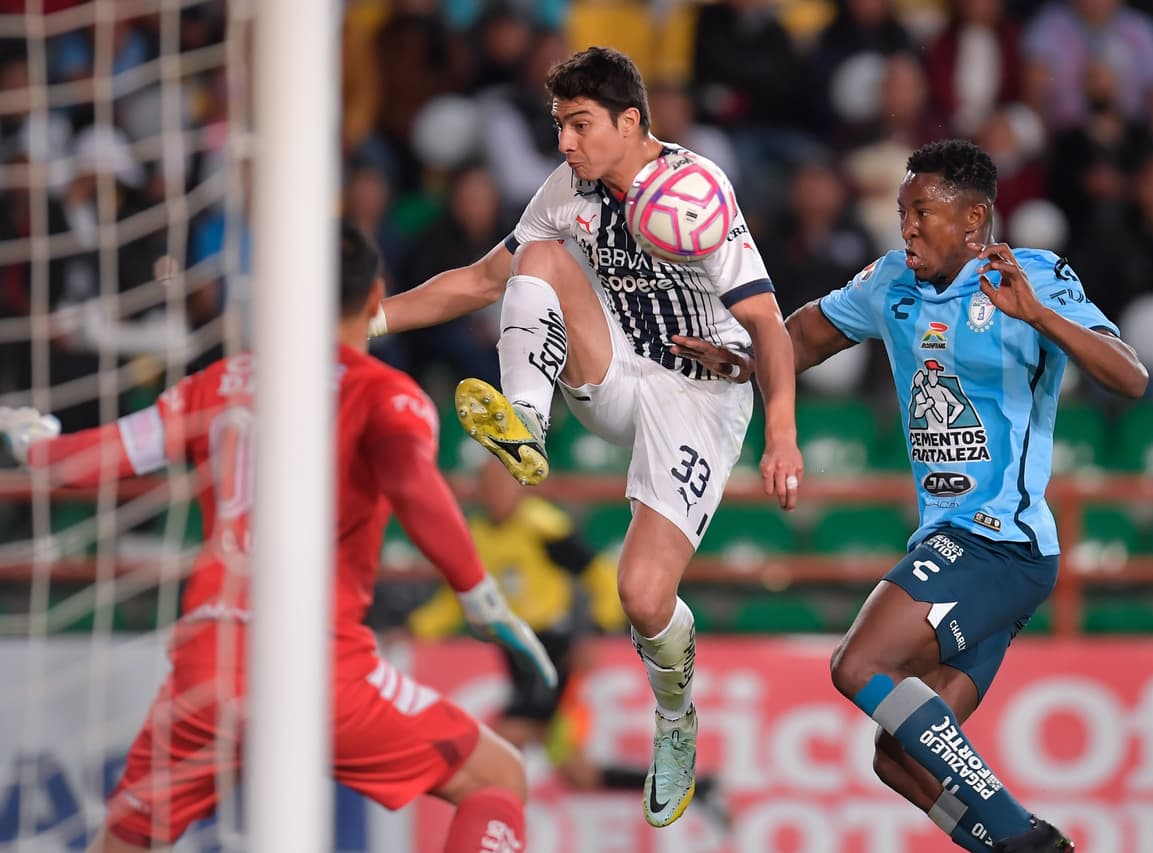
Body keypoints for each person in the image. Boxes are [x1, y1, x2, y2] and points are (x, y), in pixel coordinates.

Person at [0, 223, 557, 852]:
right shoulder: (385, 394)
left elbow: (87, 460)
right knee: (498, 775)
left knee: (123, 842)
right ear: (377, 296)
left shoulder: (220, 382)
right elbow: (409, 479)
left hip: (209, 663)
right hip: (319, 668)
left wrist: (35, 443)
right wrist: (477, 591)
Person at [671, 139, 1148, 852]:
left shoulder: (1032, 277)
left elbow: (1133, 378)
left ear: (974, 218)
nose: (909, 228)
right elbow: (803, 335)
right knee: (898, 756)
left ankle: (1028, 838)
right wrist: (744, 364)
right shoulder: (888, 281)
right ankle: (1010, 844)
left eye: (923, 212)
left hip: (1000, 539)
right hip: (958, 543)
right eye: (903, 212)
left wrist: (1040, 317)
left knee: (857, 664)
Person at [370, 46, 803, 828]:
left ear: (630, 121)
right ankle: (524, 424)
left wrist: (783, 434)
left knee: (642, 595)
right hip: (616, 370)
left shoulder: (698, 191)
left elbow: (767, 323)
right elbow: (476, 281)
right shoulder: (566, 189)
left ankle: (676, 717)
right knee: (536, 254)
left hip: (700, 399)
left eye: (578, 125)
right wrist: (362, 320)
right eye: (558, 125)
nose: (564, 143)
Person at [407, 457, 731, 831]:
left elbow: (599, 573)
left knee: (505, 737)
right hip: (518, 655)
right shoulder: (476, 534)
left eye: (503, 485)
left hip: (554, 652)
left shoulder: (542, 526)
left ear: (518, 487)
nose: (496, 494)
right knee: (579, 775)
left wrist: (594, 631)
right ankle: (701, 787)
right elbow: (458, 597)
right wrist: (419, 628)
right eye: (487, 487)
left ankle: (486, 832)